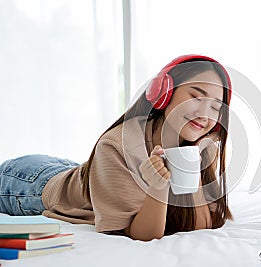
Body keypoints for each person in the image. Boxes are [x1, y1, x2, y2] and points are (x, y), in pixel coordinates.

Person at [0, 54, 234, 241]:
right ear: (164, 93)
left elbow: (202, 222)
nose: (205, 114)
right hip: (30, 185)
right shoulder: (117, 145)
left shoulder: (202, 147)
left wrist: (196, 158)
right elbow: (142, 235)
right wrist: (158, 188)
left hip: (82, 174)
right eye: (196, 96)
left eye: (215, 108)